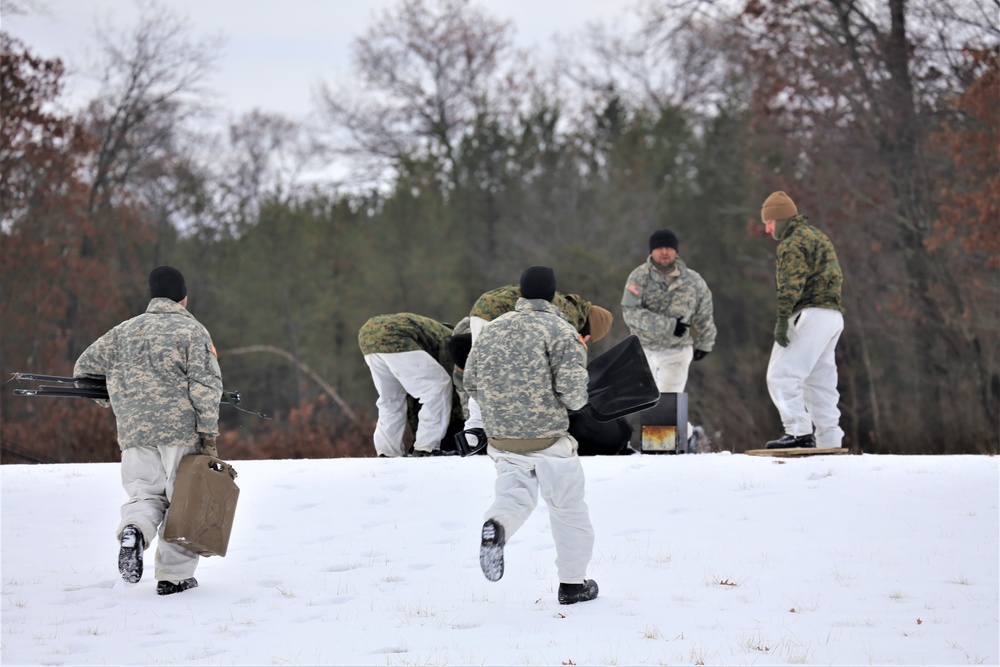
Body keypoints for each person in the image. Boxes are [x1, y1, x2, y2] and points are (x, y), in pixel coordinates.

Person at [74, 266, 223, 596]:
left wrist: (117, 399)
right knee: (184, 501)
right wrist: (208, 433)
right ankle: (174, 576)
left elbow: (83, 370)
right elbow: (206, 386)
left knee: (144, 494)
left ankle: (134, 531)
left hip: (133, 434)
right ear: (183, 297)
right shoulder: (193, 331)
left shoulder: (124, 331)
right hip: (180, 434)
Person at [464, 266, 599, 605]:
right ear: (552, 295)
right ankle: (573, 584)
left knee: (514, 496)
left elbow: (471, 383)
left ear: (520, 294)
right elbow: (573, 393)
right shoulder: (559, 329)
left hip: (503, 440)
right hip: (548, 439)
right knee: (568, 507)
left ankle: (496, 526)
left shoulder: (491, 330)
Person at [463, 284, 613, 448]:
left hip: (483, 309)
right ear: (589, 331)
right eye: (589, 338)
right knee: (496, 375)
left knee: (487, 373)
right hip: (495, 314)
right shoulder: (567, 319)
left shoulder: (568, 306)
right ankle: (481, 431)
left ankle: (475, 433)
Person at [760, 191, 845, 449]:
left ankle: (798, 432)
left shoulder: (791, 243)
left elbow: (790, 284)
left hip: (809, 314)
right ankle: (829, 440)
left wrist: (783, 318)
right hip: (832, 315)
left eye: (769, 222)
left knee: (780, 375)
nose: (767, 229)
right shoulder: (818, 236)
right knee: (820, 383)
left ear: (780, 219)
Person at [621, 228, 716, 450]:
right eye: (659, 248)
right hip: (643, 351)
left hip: (676, 352)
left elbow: (704, 313)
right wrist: (670, 325)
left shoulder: (693, 280)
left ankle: (660, 451)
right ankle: (691, 433)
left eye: (669, 248)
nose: (665, 252)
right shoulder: (638, 277)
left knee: (664, 402)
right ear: (652, 251)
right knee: (651, 403)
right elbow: (630, 313)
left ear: (676, 251)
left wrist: (706, 341)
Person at [358, 313, 460, 457]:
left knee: (390, 399)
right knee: (438, 387)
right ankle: (427, 447)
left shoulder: (429, 329)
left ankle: (387, 451)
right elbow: (453, 374)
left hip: (368, 336)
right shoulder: (449, 338)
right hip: (394, 335)